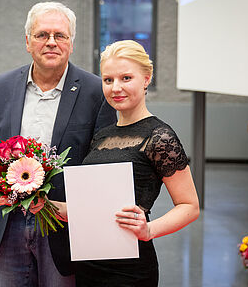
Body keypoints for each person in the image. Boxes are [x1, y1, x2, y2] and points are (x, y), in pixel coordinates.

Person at [0, 1, 117, 287]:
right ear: (28, 41)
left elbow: (100, 169)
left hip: (64, 231)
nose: (51, 42)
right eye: (42, 35)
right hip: (7, 224)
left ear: (71, 43)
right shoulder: (3, 85)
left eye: (60, 35)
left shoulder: (95, 91)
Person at [60, 40, 199, 286]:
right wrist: (40, 202)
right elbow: (88, 209)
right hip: (88, 265)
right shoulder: (103, 136)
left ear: (146, 79)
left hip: (130, 270)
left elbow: (189, 206)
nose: (116, 88)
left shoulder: (160, 136)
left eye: (126, 78)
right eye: (108, 80)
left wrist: (150, 230)